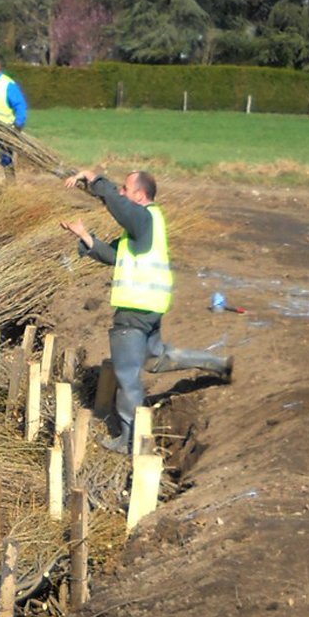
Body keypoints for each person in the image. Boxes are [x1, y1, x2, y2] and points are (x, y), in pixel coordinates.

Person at [62, 168, 233, 453]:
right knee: (156, 359)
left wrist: (95, 180)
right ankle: (218, 363)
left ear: (139, 196)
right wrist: (85, 236)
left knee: (127, 375)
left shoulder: (142, 218)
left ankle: (129, 441)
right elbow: (114, 255)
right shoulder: (146, 225)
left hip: (134, 310)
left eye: (125, 189)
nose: (121, 193)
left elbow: (118, 207)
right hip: (149, 309)